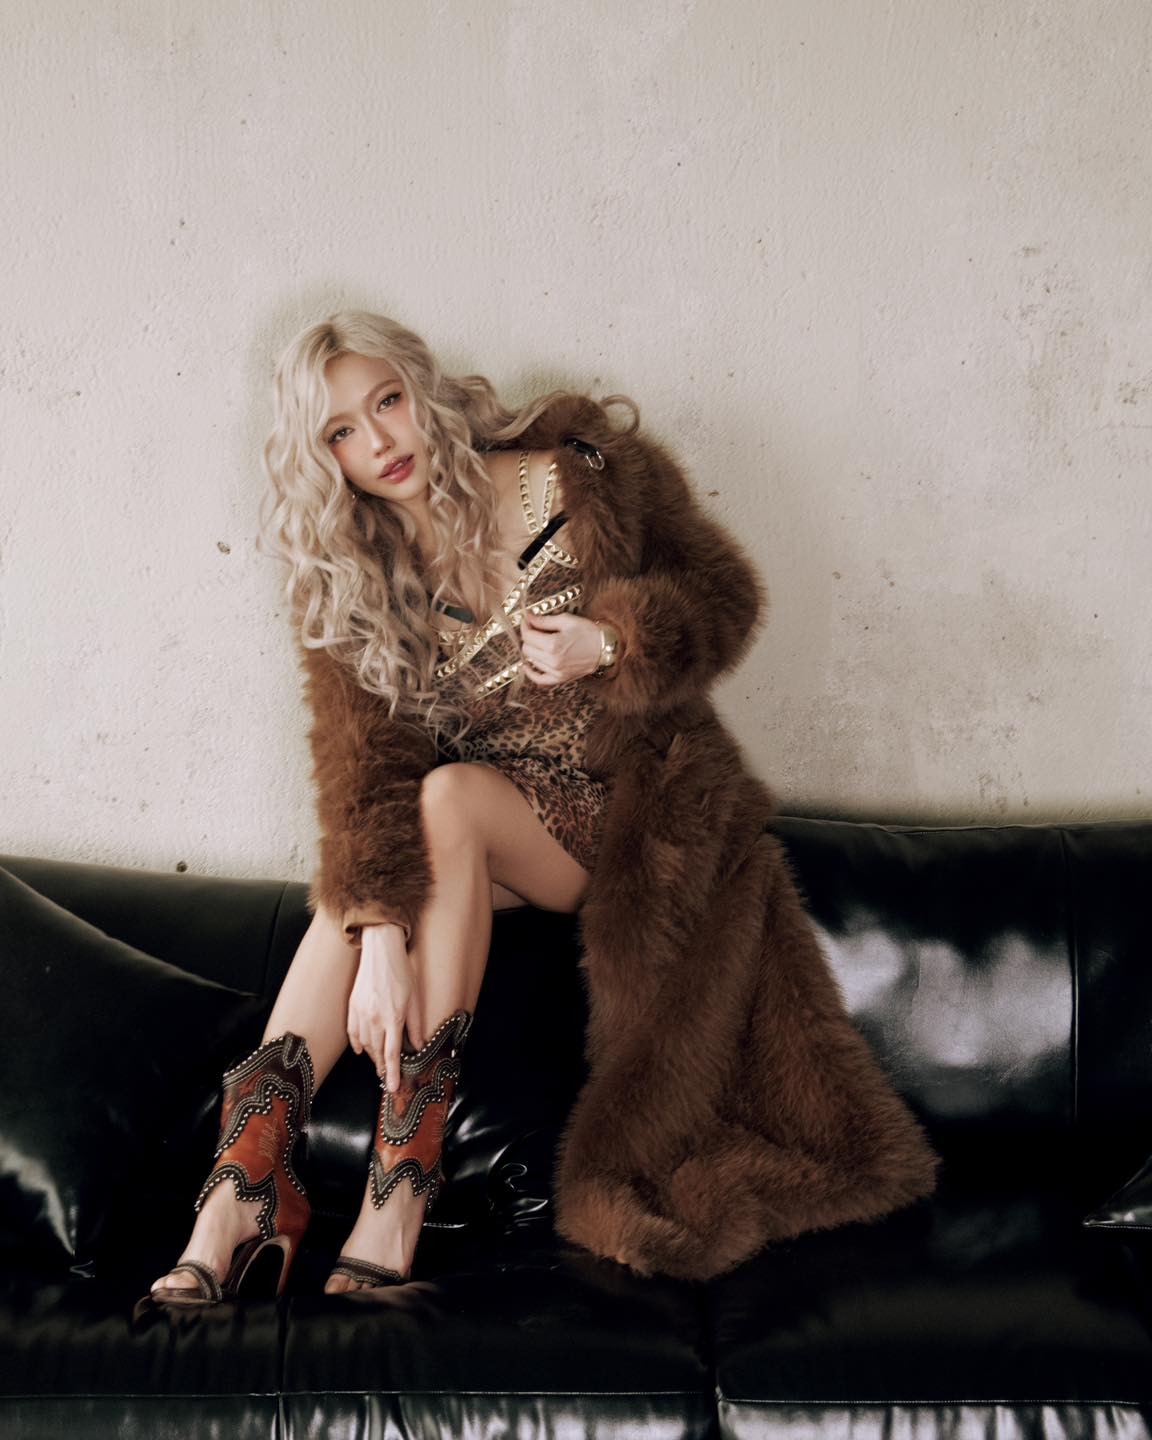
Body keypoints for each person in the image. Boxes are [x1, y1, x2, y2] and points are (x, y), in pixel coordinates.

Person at [148, 312, 634, 1304]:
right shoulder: (353, 569)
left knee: (442, 797)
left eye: (387, 402)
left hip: (608, 817)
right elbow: (363, 772)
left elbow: (703, 608)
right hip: (473, 833)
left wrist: (610, 642)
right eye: (341, 432)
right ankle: (240, 1192)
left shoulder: (558, 479)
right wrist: (379, 933)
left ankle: (398, 1194)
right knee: (375, 865)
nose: (379, 441)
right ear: (321, 459)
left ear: (423, 390)